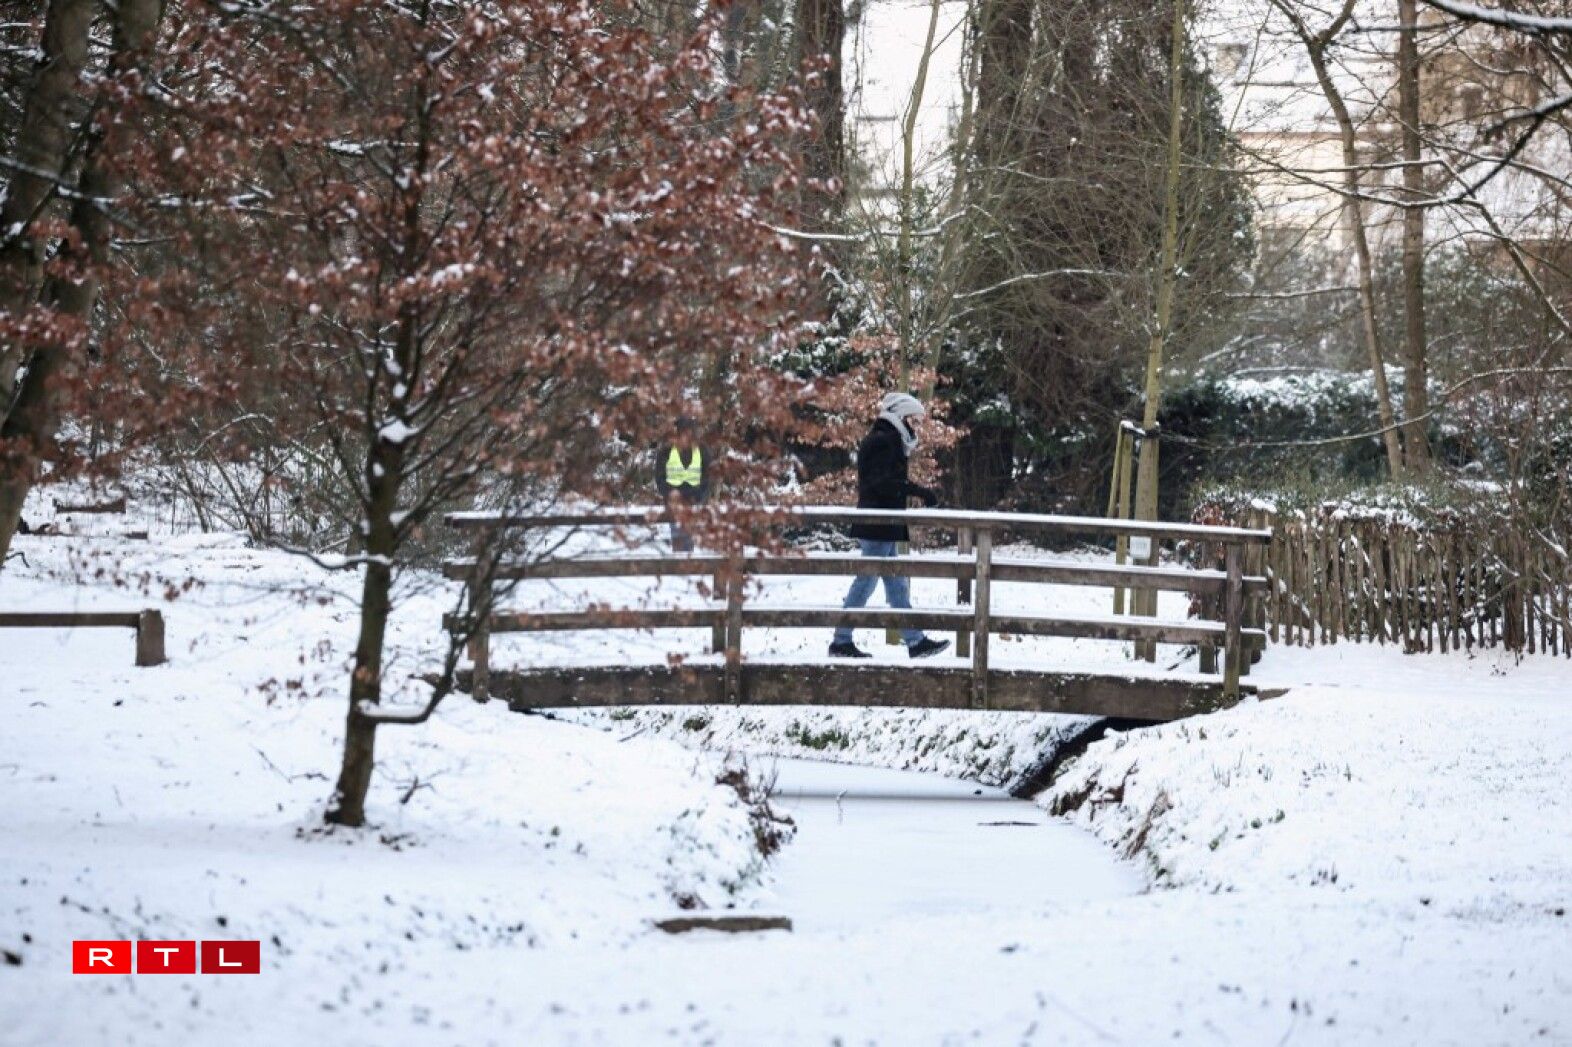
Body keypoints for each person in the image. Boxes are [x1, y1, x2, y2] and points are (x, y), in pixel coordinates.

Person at [829, 392, 952, 659]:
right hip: (878, 524)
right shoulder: (884, 441)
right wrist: (919, 491)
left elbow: (883, 482)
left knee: (895, 584)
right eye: (912, 419)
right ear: (899, 416)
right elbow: (881, 483)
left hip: (883, 524)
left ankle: (914, 641)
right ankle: (841, 640)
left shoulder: (885, 439)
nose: (914, 426)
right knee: (866, 581)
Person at [655, 417, 708, 552]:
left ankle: (688, 567)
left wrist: (700, 496)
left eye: (690, 431)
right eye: (683, 432)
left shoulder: (702, 450)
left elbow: (708, 476)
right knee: (678, 538)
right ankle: (679, 568)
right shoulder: (666, 450)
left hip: (694, 500)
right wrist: (670, 494)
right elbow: (660, 477)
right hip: (674, 501)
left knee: (689, 537)